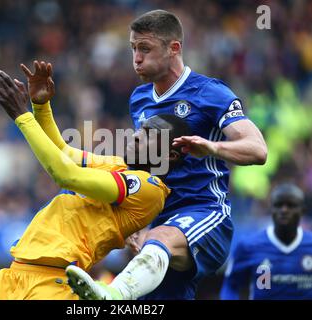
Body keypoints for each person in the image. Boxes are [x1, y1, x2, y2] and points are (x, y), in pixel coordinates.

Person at [66, 9, 267, 300]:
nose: (136, 58)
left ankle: (112, 296)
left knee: (157, 242)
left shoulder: (210, 93)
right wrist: (138, 221)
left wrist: (211, 147)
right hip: (161, 218)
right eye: (133, 48)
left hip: (205, 212)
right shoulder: (140, 99)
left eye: (145, 48)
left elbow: (258, 149)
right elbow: (147, 166)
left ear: (174, 48)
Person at [0, 61, 191, 299]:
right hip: (14, 274)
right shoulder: (116, 166)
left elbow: (65, 174)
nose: (137, 136)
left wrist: (22, 116)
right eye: (140, 130)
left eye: (150, 135)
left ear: (171, 154)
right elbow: (62, 153)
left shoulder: (149, 190)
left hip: (51, 284)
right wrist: (40, 105)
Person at [220, 183, 312, 300]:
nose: (284, 210)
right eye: (278, 205)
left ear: (303, 210)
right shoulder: (249, 246)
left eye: (291, 205)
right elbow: (230, 285)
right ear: (271, 208)